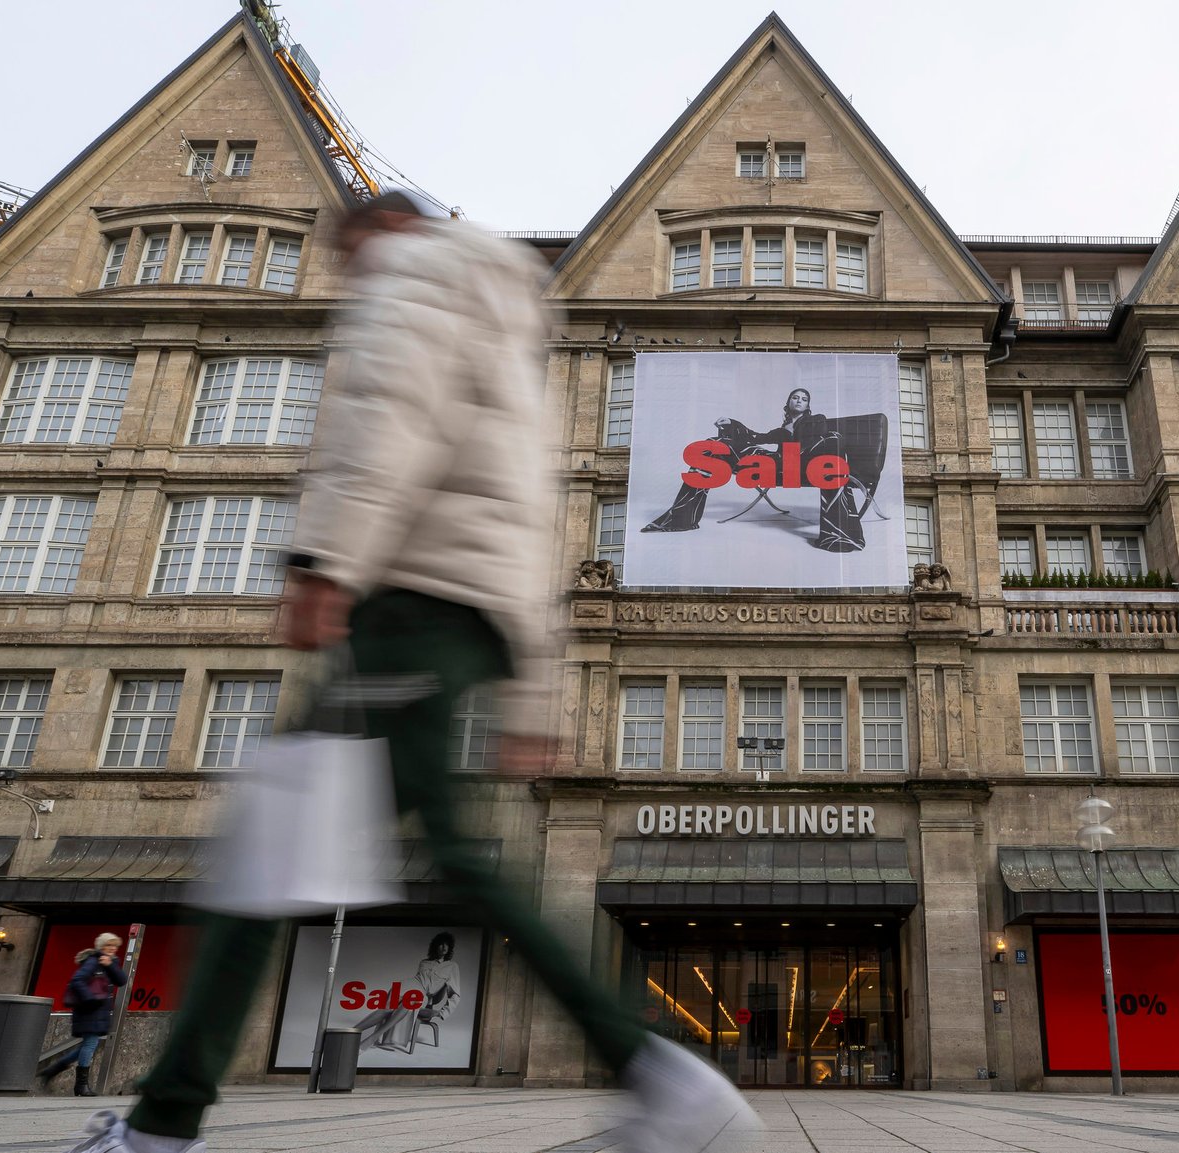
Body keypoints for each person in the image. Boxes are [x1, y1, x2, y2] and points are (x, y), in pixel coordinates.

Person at [63, 190, 755, 1153]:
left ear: (379, 227)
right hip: (462, 615)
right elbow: (534, 515)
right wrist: (531, 683)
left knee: (266, 859)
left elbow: (386, 414)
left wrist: (322, 561)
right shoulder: (509, 318)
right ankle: (656, 1075)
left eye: (343, 253)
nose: (348, 275)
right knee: (429, 855)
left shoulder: (416, 273)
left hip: (407, 605)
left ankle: (160, 1127)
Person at [640, 386, 867, 550]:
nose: (799, 400)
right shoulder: (784, 426)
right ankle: (680, 519)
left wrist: (788, 453)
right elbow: (757, 437)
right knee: (715, 446)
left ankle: (839, 535)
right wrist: (732, 423)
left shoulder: (816, 419)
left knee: (722, 447)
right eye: (795, 397)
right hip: (776, 463)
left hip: (801, 465)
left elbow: (816, 443)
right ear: (788, 403)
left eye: (804, 398)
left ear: (808, 405)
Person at [49, 933, 130, 1096]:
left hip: (99, 1010)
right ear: (101, 947)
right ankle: (81, 1086)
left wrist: (111, 965)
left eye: (115, 946)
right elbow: (77, 981)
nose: (112, 949)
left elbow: (121, 980)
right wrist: (91, 999)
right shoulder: (93, 961)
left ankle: (53, 1070)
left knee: (88, 1044)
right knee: (91, 1043)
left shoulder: (109, 962)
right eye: (108, 946)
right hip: (89, 1009)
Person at [353, 931, 459, 1054]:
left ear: (450, 947)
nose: (444, 947)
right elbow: (419, 979)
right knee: (387, 1008)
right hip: (408, 984)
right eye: (441, 944)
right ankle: (351, 1032)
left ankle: (371, 1039)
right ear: (435, 946)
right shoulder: (424, 962)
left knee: (408, 1005)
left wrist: (443, 1013)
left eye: (447, 944)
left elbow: (455, 994)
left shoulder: (452, 967)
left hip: (423, 994)